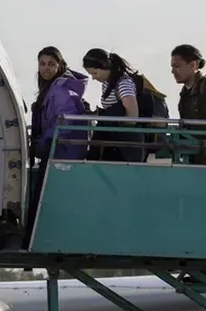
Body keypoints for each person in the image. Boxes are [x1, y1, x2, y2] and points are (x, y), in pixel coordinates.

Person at [27, 47, 89, 222]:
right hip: (55, 150)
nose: (46, 68)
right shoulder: (51, 88)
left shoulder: (61, 89)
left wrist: (43, 144)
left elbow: (66, 120)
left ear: (59, 65)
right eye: (42, 64)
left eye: (51, 64)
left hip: (62, 152)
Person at [81, 49, 161, 163]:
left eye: (95, 73)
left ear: (105, 67)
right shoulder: (107, 83)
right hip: (113, 138)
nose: (94, 78)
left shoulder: (123, 83)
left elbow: (132, 116)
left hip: (126, 142)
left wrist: (111, 118)